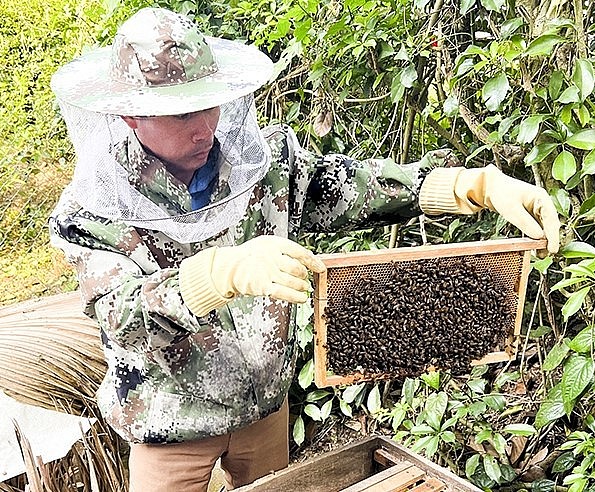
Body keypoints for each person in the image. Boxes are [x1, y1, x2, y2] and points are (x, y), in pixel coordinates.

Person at [48, 7, 560, 492]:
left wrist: (469, 186)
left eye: (209, 104)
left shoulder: (259, 166)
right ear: (131, 117)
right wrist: (216, 274)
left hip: (266, 407)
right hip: (169, 420)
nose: (205, 126)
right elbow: (120, 318)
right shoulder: (92, 210)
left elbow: (348, 186)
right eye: (181, 115)